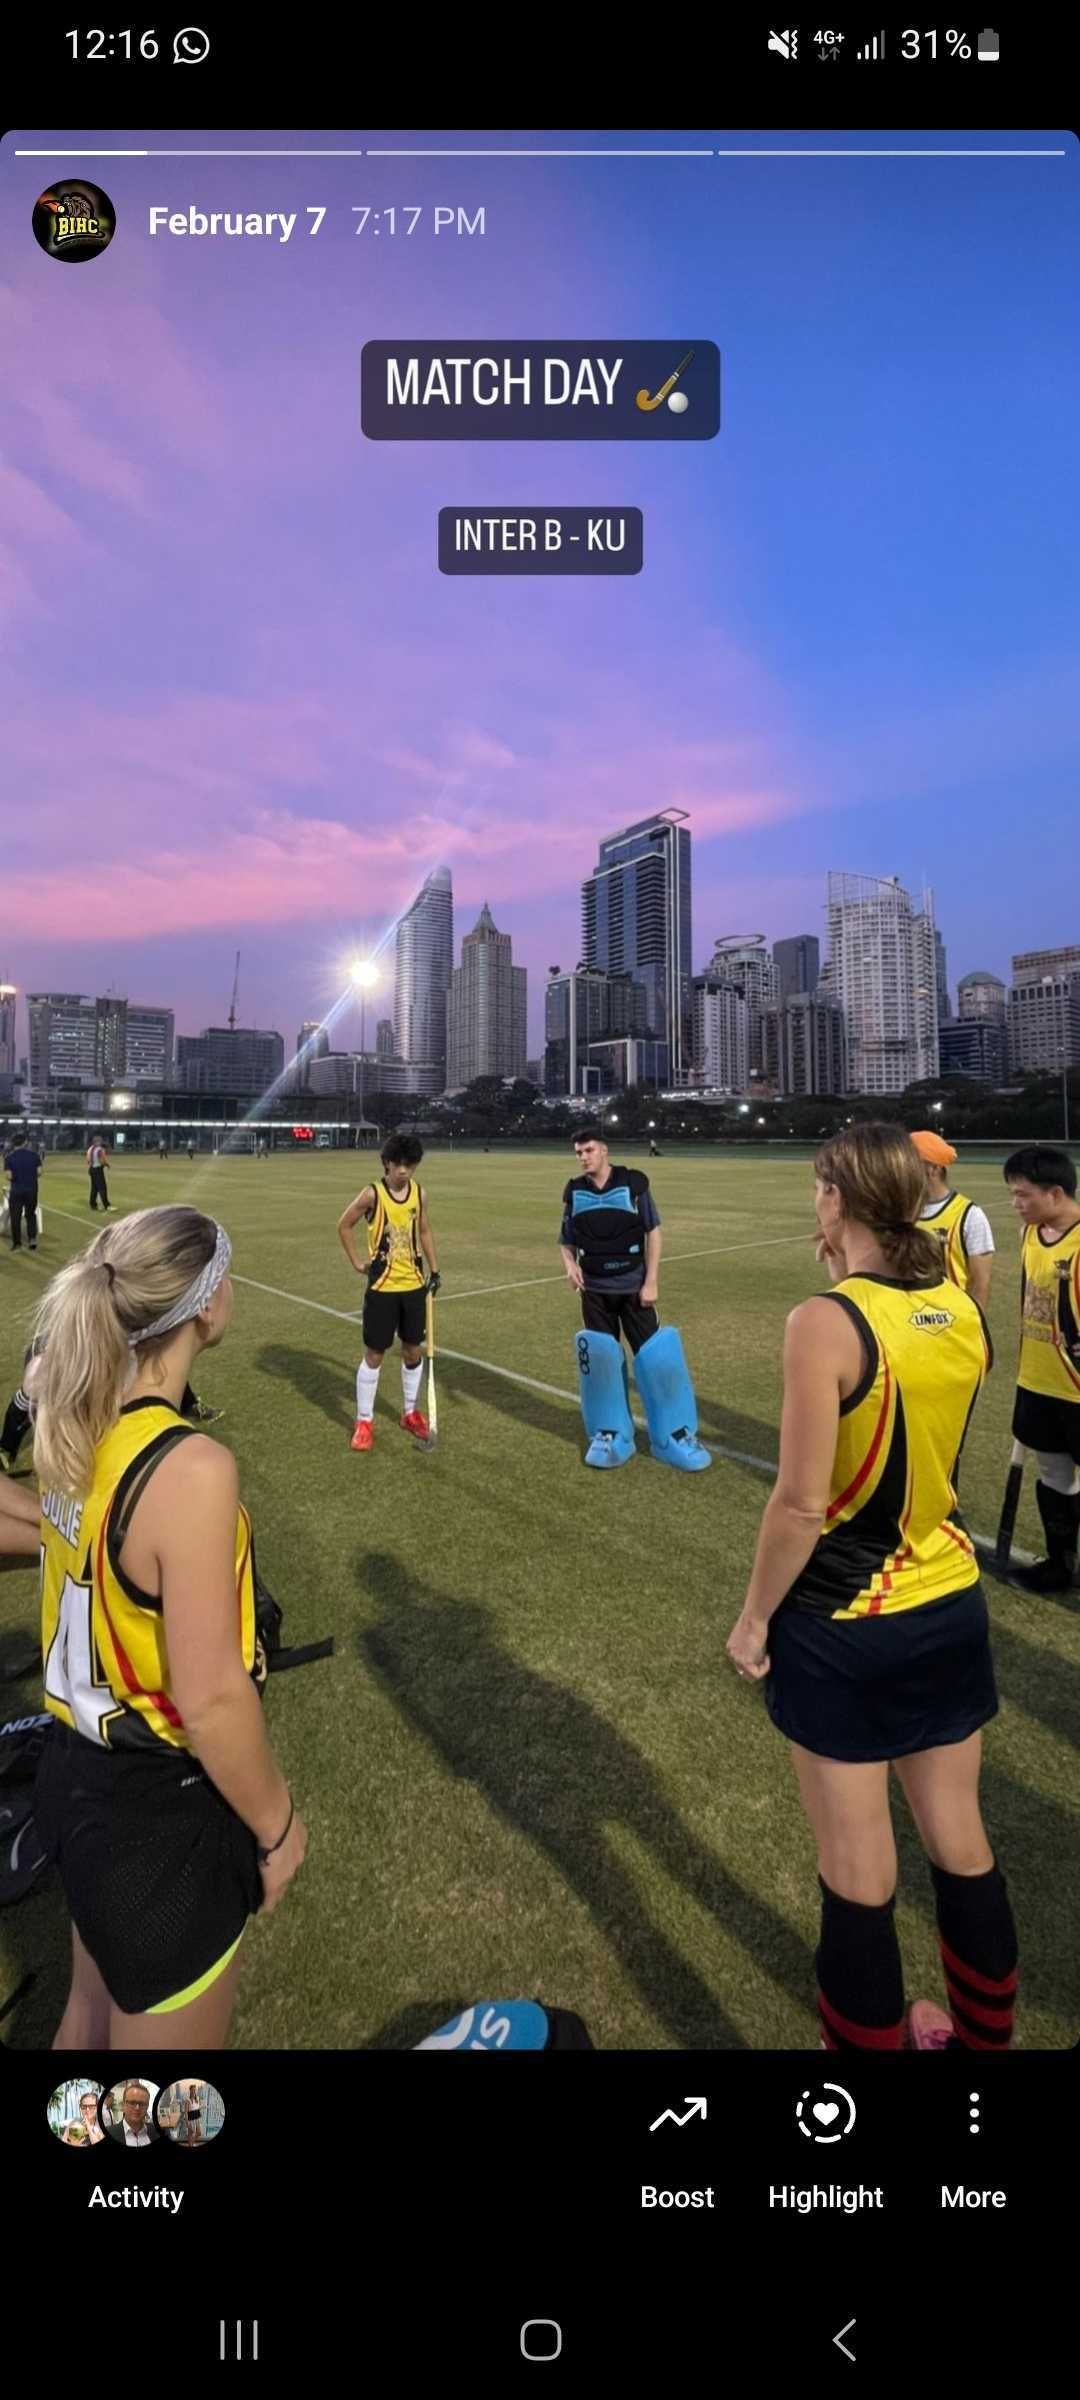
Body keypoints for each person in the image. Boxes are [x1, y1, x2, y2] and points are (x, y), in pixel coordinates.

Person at [726, 1122, 1017, 2055]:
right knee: (960, 1843)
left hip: (847, 1622)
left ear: (838, 1200)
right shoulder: (963, 1311)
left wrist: (753, 1618)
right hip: (951, 1604)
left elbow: (801, 1507)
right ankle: (981, 2046)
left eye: (820, 1188)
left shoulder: (826, 1320)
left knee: (857, 1869)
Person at [30, 1203, 307, 2049]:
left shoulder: (76, 1417)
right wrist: (278, 1827)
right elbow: (212, 1698)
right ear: (207, 1304)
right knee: (172, 2106)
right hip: (155, 1821)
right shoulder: (189, 1467)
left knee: (86, 2019)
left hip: (73, 1778)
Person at [560, 1123, 709, 1471]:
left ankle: (673, 1435)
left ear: (604, 1149)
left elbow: (653, 1233)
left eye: (589, 1150)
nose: (584, 1157)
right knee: (600, 1361)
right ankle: (611, 1434)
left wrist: (651, 1281)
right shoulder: (574, 1191)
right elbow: (566, 1240)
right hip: (594, 1291)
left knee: (657, 1357)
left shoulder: (633, 1184)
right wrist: (569, 1265)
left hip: (634, 1287)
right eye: (579, 1153)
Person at [1002, 1144, 1080, 1594]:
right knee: (1054, 1476)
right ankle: (1060, 1564)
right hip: (1037, 1380)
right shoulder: (1030, 1235)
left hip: (1077, 1387)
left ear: (1055, 1192)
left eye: (1022, 1195)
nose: (1015, 1204)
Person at [337, 1133, 440, 1453]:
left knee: (413, 1351)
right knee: (375, 1354)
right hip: (382, 1287)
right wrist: (357, 1262)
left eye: (411, 1166)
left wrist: (434, 1271)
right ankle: (363, 1421)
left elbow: (423, 1230)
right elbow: (344, 1224)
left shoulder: (419, 1194)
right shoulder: (372, 1194)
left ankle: (410, 1413)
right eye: (399, 1165)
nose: (405, 1172)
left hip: (413, 1285)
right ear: (387, 1163)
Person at [911, 1129, 995, 1309]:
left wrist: (970, 1325)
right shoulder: (899, 1211)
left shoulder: (969, 1215)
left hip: (952, 1323)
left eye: (908, 1164)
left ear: (933, 1168)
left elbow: (980, 1284)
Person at [4, 1130, 43, 1252]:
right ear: (25, 1142)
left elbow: (9, 1176)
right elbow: (39, 1172)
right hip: (31, 1189)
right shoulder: (35, 1156)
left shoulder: (9, 1158)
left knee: (15, 1217)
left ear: (13, 1143)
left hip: (16, 1191)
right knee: (30, 1215)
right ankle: (32, 1240)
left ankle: (17, 1244)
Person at [86, 1136, 110, 1211]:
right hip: (98, 1170)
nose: (101, 1142)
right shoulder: (100, 1150)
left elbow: (87, 1160)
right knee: (102, 1188)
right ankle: (106, 1205)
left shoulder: (90, 1149)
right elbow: (102, 1160)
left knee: (94, 1188)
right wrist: (106, 1164)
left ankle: (92, 1204)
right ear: (97, 1141)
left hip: (91, 1169)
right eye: (100, 1141)